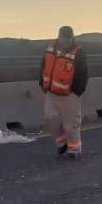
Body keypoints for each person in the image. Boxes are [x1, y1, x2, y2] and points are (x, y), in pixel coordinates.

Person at [39, 26, 89, 159]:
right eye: (63, 38)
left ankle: (74, 149)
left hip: (69, 94)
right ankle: (63, 143)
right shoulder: (50, 49)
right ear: (59, 36)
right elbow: (43, 66)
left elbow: (82, 74)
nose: (64, 41)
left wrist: (76, 92)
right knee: (51, 118)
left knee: (71, 124)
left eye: (67, 38)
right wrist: (42, 83)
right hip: (51, 92)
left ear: (72, 37)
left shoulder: (78, 52)